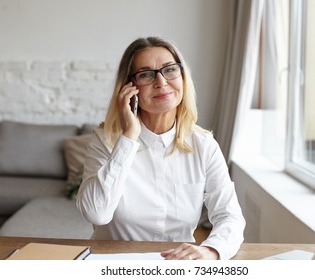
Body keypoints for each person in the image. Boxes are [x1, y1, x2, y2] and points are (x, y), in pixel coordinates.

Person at [76, 36, 245, 260]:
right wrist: (128, 137)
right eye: (146, 74)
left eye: (169, 69)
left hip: (176, 265)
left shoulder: (203, 145)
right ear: (129, 87)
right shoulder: (105, 141)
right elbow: (96, 213)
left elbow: (230, 216)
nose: (161, 82)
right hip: (113, 264)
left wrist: (211, 250)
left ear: (182, 76)